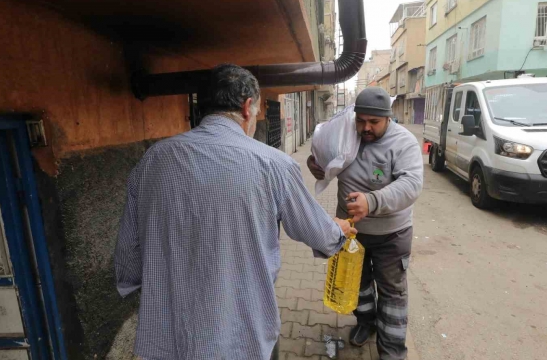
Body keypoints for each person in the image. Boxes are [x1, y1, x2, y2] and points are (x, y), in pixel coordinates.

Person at [114, 64, 356, 360]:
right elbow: (320, 235)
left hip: (171, 336)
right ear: (247, 107)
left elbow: (129, 251)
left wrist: (139, 283)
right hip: (242, 336)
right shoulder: (274, 165)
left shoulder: (153, 160)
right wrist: (338, 232)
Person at [307, 87, 423, 360]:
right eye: (361, 121)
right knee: (357, 284)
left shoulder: (403, 143)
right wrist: (319, 165)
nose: (366, 128)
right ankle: (366, 322)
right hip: (351, 233)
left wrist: (371, 201)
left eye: (374, 122)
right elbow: (327, 160)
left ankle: (392, 351)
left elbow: (412, 184)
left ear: (388, 118)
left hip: (391, 234)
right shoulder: (347, 134)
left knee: (392, 295)